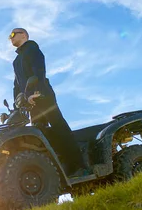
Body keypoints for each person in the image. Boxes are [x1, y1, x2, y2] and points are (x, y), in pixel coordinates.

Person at [8, 27, 87, 178]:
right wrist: (17, 103)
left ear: (23, 35)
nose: (10, 38)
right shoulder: (16, 61)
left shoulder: (32, 50)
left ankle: (80, 165)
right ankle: (64, 166)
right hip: (30, 102)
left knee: (59, 127)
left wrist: (34, 92)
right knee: (41, 132)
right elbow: (17, 84)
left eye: (13, 34)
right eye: (9, 37)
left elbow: (39, 72)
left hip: (42, 95)